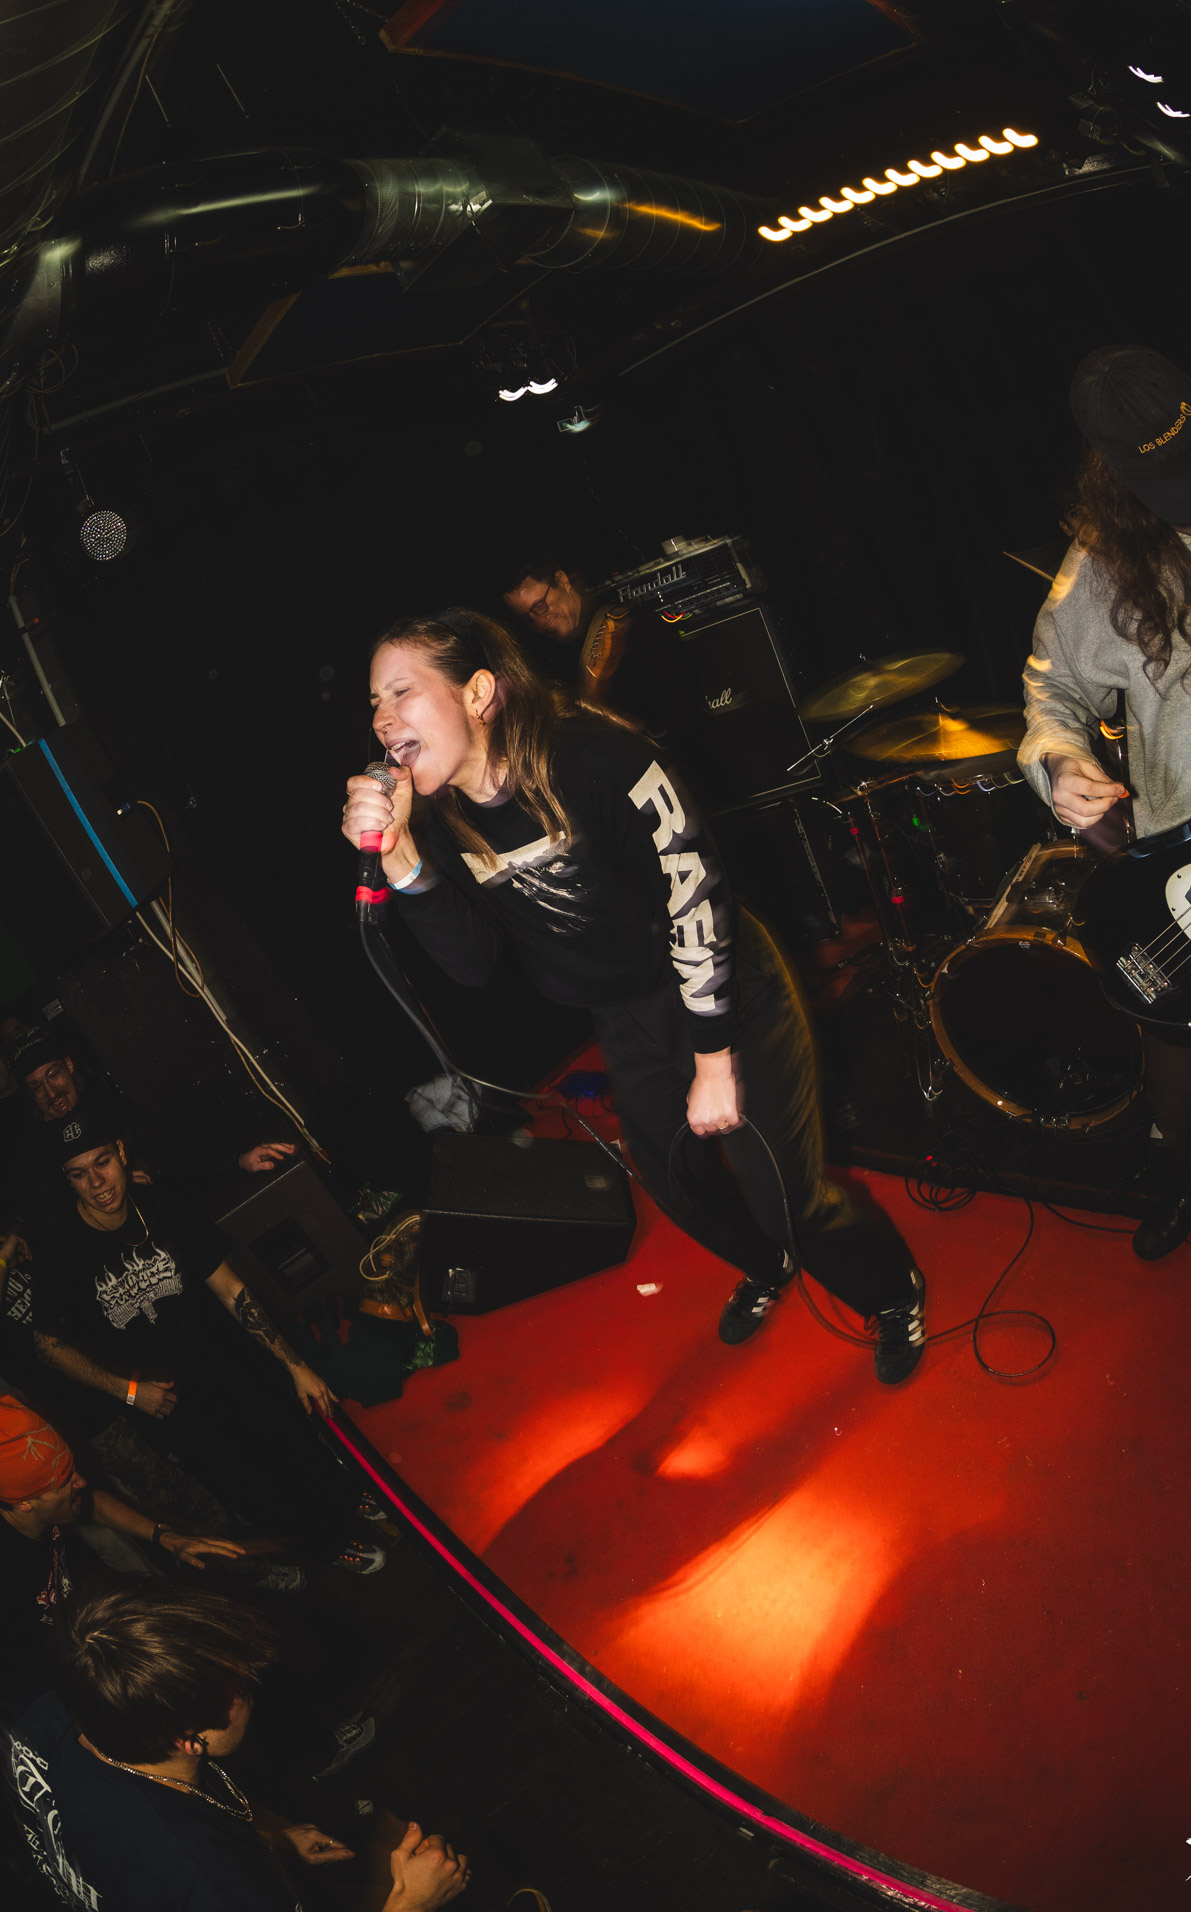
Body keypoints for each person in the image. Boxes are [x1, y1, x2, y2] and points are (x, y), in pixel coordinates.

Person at [341, 609, 926, 1379]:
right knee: (676, 1185)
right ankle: (768, 1265)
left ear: (477, 692)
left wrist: (714, 1059)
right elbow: (475, 964)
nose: (382, 719)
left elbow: (697, 898)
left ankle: (892, 1292)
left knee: (783, 1192)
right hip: (622, 1013)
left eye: (401, 693)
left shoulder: (594, 758)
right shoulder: (441, 815)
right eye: (374, 703)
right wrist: (404, 860)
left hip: (720, 983)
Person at [1018, 344, 1191, 1257]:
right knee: (1187, 1093)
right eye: (1183, 493)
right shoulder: (1105, 565)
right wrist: (1060, 764)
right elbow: (1053, 693)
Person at [26, 1104, 381, 1573]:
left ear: (122, 1154)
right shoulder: (60, 1250)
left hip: (228, 1362)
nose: (96, 1182)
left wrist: (295, 1365)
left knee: (293, 1440)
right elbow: (46, 1345)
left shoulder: (159, 1204)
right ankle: (327, 1546)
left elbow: (230, 1287)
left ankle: (348, 1498)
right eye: (78, 1173)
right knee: (252, 1484)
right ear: (67, 1180)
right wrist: (128, 1392)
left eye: (102, 1162)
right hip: (172, 1404)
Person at [3, 1579, 470, 1912]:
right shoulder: (220, 1887)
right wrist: (411, 1903)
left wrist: (269, 1835)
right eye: (240, 1687)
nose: (252, 1686)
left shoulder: (71, 1707)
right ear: (189, 1739)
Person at [0, 1394, 244, 1712]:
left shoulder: (49, 1507)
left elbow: (88, 1502)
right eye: (64, 1481)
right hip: (55, 1694)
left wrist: (167, 1538)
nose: (81, 1481)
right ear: (23, 1502)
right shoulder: (10, 1572)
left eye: (73, 1469)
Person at [12, 1025, 298, 1184]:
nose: (51, 1093)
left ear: (69, 1066)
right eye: (37, 1087)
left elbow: (175, 1154)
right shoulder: (35, 1149)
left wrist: (239, 1160)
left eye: (54, 1075)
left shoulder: (110, 1109)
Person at [500, 546, 705, 763]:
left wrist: (639, 727)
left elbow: (686, 711)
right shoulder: (544, 662)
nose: (538, 621)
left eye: (540, 607)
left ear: (562, 581)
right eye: (527, 618)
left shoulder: (630, 627)